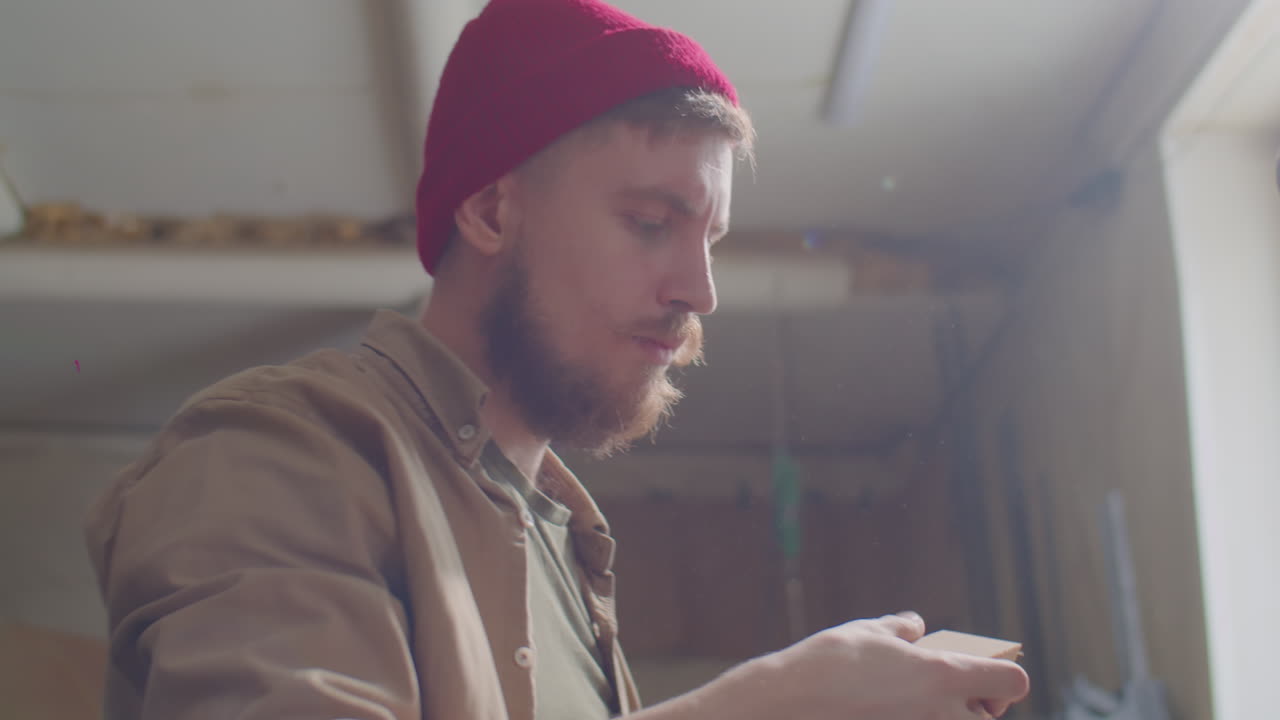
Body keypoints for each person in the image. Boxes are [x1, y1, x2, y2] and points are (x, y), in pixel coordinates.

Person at [85, 0, 1030, 718]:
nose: (700, 293)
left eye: (712, 242)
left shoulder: (562, 542)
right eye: (652, 223)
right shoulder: (280, 450)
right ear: (493, 210)